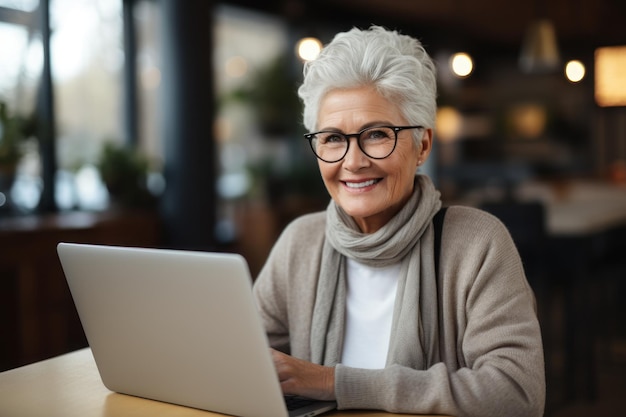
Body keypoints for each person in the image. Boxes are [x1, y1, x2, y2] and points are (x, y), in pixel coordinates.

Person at [252, 25, 545, 417]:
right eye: (333, 139)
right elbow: (241, 361)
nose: (353, 162)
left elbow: (517, 395)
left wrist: (332, 382)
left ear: (422, 144)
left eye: (376, 134)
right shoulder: (300, 242)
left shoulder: (477, 243)